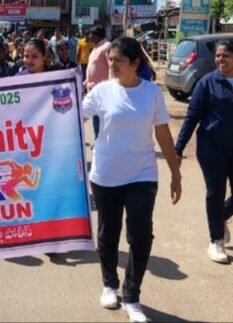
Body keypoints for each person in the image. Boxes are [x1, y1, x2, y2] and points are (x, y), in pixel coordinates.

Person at [82, 37, 182, 323]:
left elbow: (162, 134)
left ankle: (132, 296)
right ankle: (109, 284)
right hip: (106, 174)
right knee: (108, 232)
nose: (112, 65)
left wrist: (175, 173)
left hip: (142, 173)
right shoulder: (101, 91)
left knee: (140, 234)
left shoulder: (151, 93)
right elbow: (74, 117)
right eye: (110, 60)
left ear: (136, 63)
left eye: (119, 61)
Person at [174, 40, 233, 264]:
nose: (220, 60)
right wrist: (178, 149)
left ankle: (220, 217)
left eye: (226, 55)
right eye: (218, 56)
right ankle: (216, 239)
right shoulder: (207, 83)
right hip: (211, 148)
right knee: (215, 192)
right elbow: (192, 117)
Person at [85, 27, 111, 138]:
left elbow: (111, 68)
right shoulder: (95, 48)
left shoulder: (107, 47)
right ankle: (98, 139)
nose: (89, 37)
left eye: (90, 34)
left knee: (102, 117)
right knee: (96, 116)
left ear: (96, 35)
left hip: (103, 90)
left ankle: (102, 140)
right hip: (93, 88)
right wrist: (87, 80)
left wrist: (111, 86)